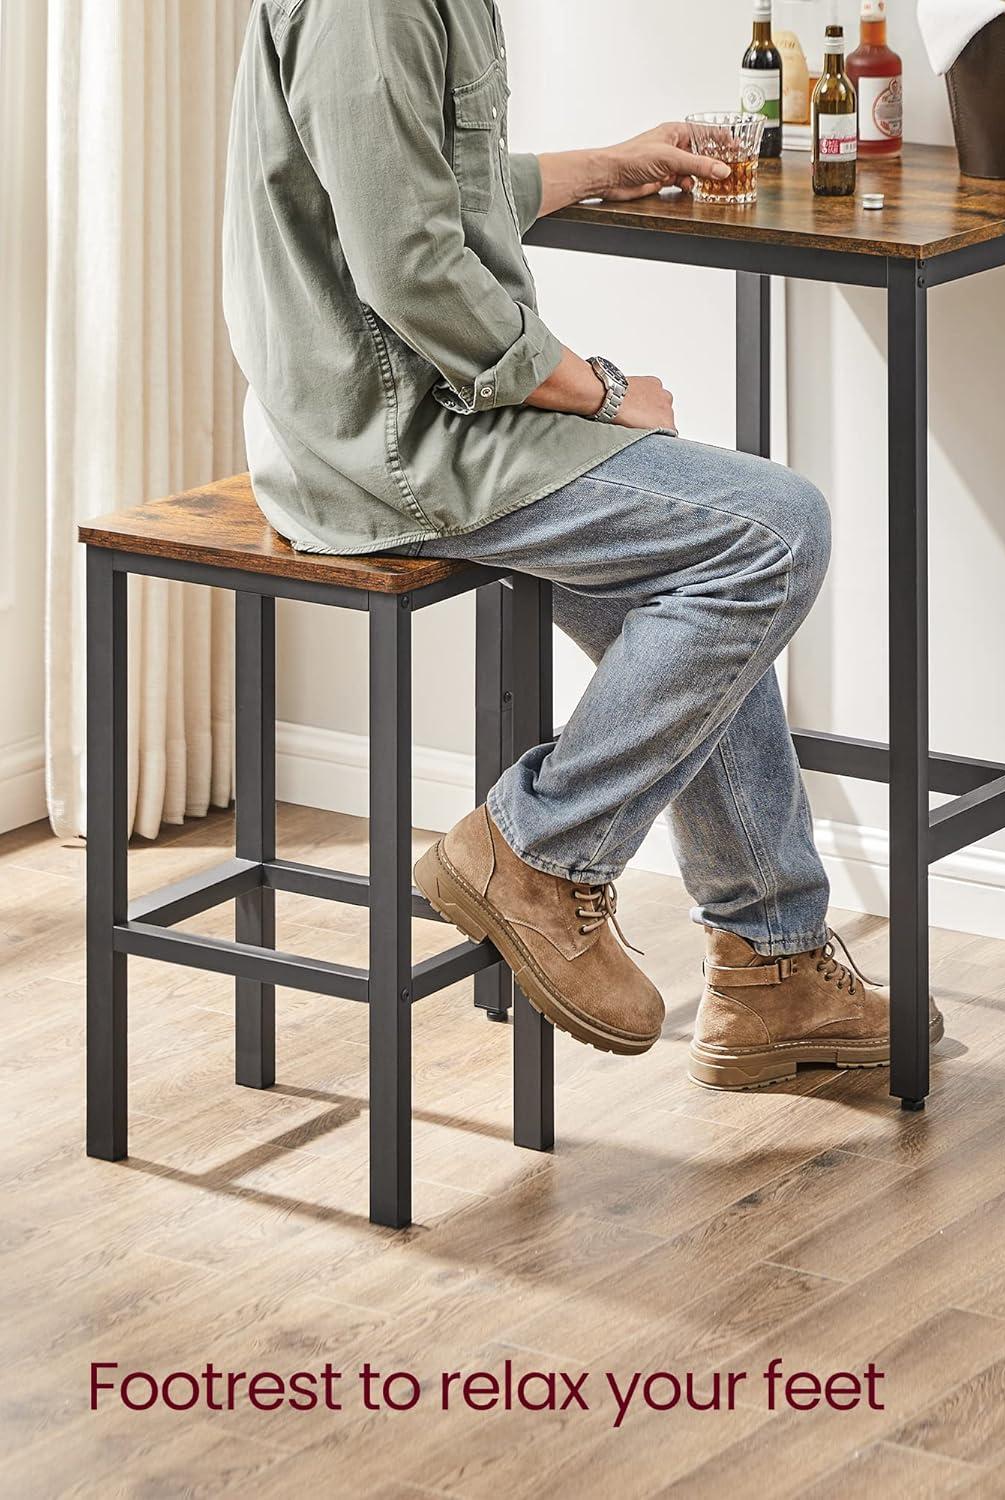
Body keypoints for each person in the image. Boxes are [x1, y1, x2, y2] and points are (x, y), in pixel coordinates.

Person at [223, 0, 941, 1090]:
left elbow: (433, 187)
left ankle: (771, 968)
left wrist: (605, 165)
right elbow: (408, 261)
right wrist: (598, 391)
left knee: (703, 589)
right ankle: (537, 851)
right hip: (396, 440)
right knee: (771, 531)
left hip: (435, 412)